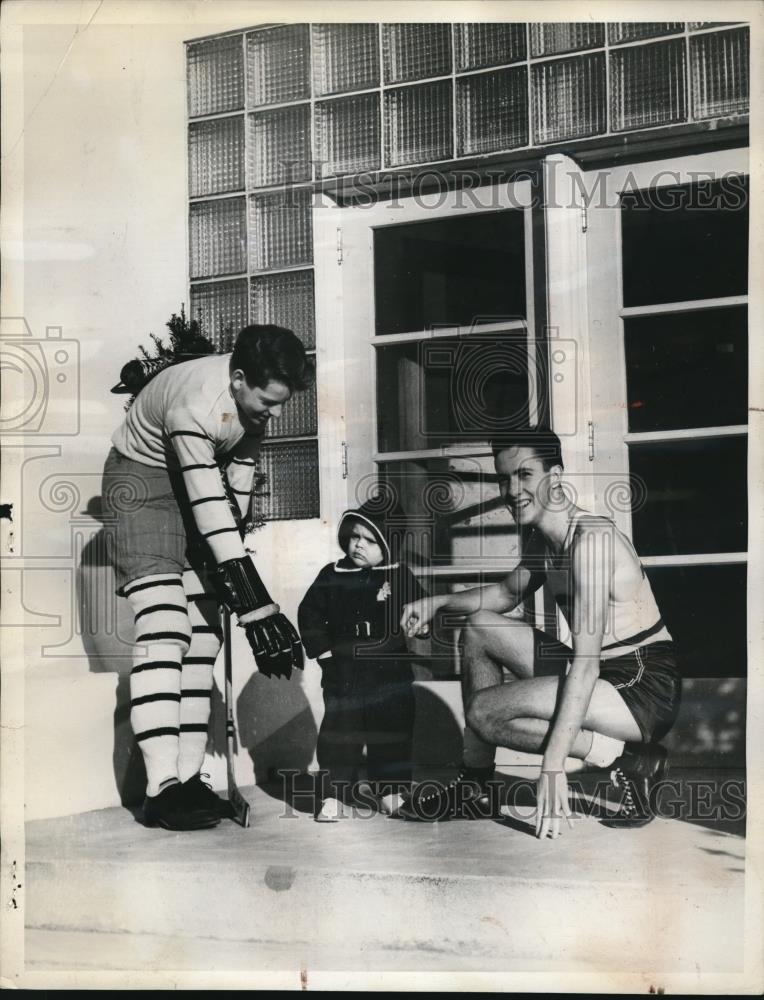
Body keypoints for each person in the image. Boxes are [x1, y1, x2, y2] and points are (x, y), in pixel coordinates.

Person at [400, 426, 682, 836]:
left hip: (642, 684)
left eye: (525, 474)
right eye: (504, 477)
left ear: (557, 476)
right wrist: (437, 601)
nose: (512, 489)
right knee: (478, 626)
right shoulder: (543, 540)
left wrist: (552, 766)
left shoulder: (591, 544)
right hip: (603, 671)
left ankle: (626, 760)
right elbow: (502, 594)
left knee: (484, 711)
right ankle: (477, 788)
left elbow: (584, 666)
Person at [102, 324, 314, 831]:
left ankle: (190, 778)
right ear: (238, 379)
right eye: (269, 401)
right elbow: (206, 503)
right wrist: (256, 601)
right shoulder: (196, 403)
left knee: (203, 638)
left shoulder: (249, 405)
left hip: (186, 483)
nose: (277, 414)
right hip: (140, 481)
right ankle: (161, 790)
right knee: (166, 624)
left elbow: (234, 490)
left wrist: (234, 584)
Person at [298, 496, 426, 821]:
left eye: (370, 540)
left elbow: (421, 609)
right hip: (345, 674)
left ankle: (391, 792)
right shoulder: (333, 574)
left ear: (388, 545)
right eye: (355, 536)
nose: (359, 545)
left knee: (393, 731)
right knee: (341, 734)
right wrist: (325, 654)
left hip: (390, 673)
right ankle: (335, 794)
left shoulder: (399, 576)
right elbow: (309, 613)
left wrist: (421, 625)